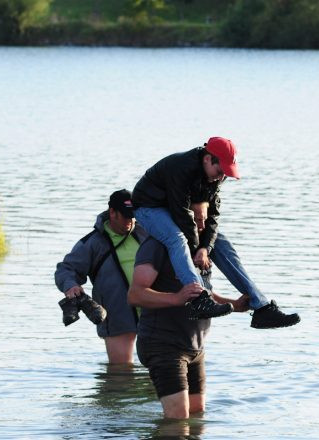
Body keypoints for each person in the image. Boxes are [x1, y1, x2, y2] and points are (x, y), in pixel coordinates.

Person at [133, 136, 300, 327]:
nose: (221, 178)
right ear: (207, 159)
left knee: (221, 243)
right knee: (176, 238)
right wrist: (198, 249)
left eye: (226, 174)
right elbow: (181, 214)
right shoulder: (181, 167)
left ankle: (261, 307)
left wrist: (205, 247)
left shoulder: (215, 177)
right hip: (148, 206)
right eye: (220, 171)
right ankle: (199, 299)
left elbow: (212, 218)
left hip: (177, 209)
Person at [128, 201, 250, 419]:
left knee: (197, 417)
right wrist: (177, 298)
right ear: (180, 217)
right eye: (196, 219)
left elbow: (201, 292)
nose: (201, 225)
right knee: (177, 422)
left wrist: (235, 305)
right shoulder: (157, 245)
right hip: (163, 345)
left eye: (204, 219)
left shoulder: (200, 248)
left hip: (195, 347)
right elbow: (135, 294)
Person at [54, 189, 147, 364]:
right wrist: (70, 286)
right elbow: (65, 269)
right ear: (112, 212)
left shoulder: (146, 233)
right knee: (120, 373)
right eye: (125, 216)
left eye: (133, 215)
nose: (130, 220)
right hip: (116, 315)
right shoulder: (92, 243)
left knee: (161, 372)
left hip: (153, 311)